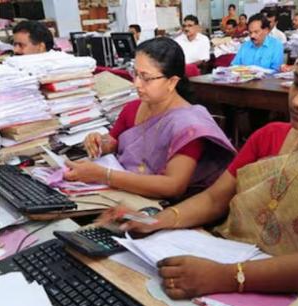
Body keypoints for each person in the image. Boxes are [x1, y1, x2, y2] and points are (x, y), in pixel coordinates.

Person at [96, 25, 298, 300]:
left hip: (293, 298)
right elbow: (215, 199)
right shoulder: (272, 135)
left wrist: (228, 277)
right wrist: (156, 220)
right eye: (297, 82)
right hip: (220, 259)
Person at [73, 38, 236, 200]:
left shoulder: (189, 126)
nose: (137, 84)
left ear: (172, 82)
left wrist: (105, 175)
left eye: (146, 77)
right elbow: (114, 140)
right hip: (125, 191)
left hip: (167, 204)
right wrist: (99, 143)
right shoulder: (133, 107)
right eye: (135, 74)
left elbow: (173, 186)